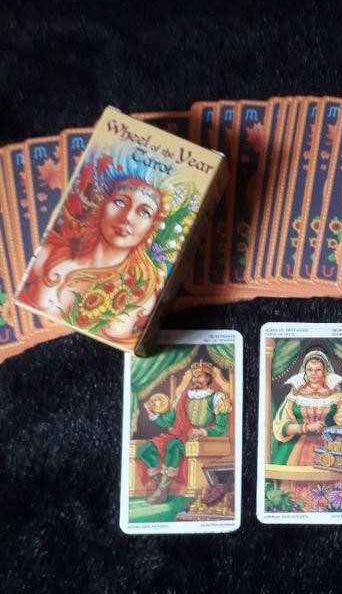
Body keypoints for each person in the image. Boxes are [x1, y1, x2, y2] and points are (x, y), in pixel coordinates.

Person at [17, 147, 198, 347]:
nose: (127, 217)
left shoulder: (142, 295)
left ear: (152, 226)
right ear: (102, 204)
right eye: (120, 202)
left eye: (144, 212)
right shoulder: (47, 256)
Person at [137, 360, 231, 505]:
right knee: (144, 450)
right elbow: (168, 423)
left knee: (173, 445)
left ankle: (162, 490)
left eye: (199, 376)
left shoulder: (218, 398)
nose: (195, 379)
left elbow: (221, 428)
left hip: (201, 439)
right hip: (177, 434)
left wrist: (201, 431)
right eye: (194, 376)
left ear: (208, 378)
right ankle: (161, 483)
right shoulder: (183, 397)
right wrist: (152, 412)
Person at [271, 349, 342, 466]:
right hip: (296, 445)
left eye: (318, 370)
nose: (313, 373)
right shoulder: (294, 396)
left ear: (324, 371)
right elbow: (281, 425)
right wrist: (306, 427)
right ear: (305, 371)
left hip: (329, 444)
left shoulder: (335, 396)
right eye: (310, 370)